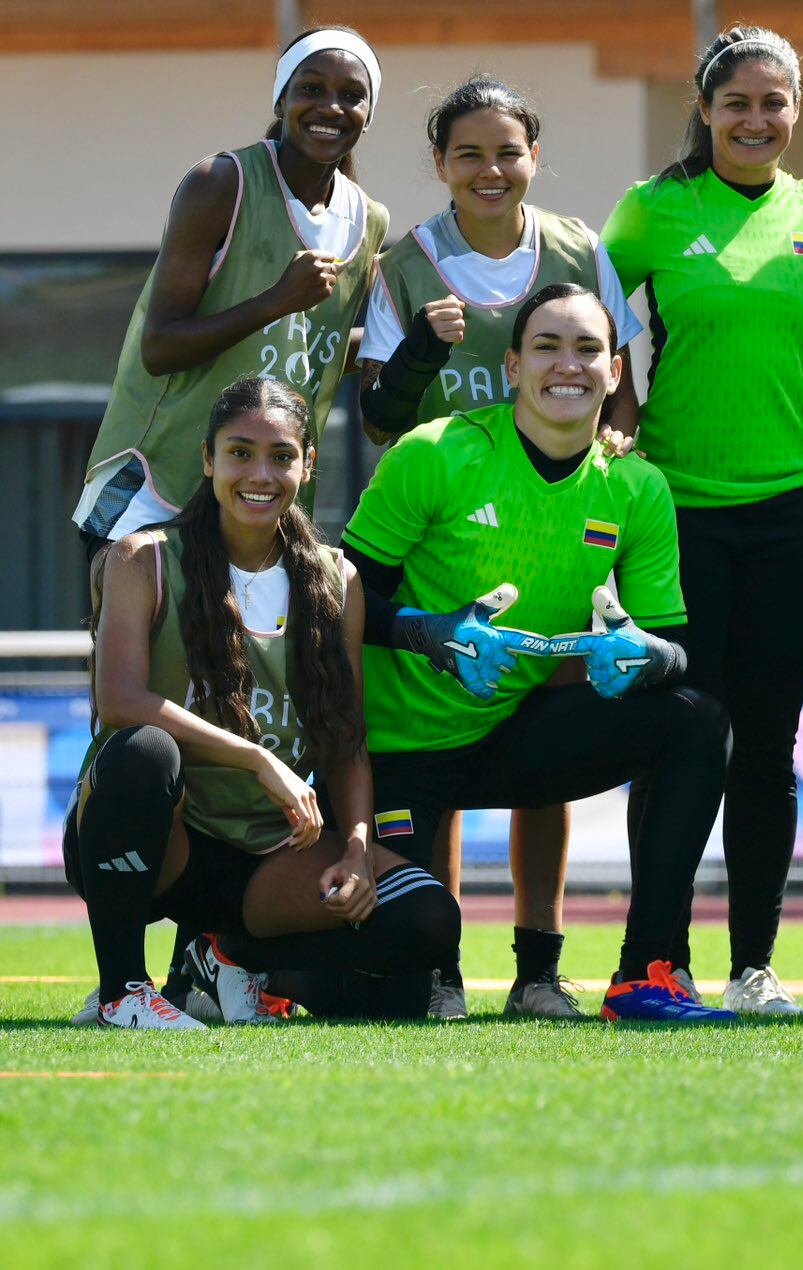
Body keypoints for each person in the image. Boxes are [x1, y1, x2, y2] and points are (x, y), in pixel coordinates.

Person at [341, 281, 735, 1022]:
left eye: (588, 348)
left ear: (615, 372)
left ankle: (650, 972)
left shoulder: (635, 486)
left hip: (508, 737)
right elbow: (338, 602)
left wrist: (644, 654)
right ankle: (247, 954)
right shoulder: (435, 454)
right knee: (392, 984)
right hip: (398, 753)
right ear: (513, 367)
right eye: (547, 347)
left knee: (696, 719)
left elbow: (675, 650)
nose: (569, 364)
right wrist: (427, 632)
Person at [358, 75, 644, 1020]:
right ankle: (440, 968)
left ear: (535, 159)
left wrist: (615, 446)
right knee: (429, 746)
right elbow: (377, 419)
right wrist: (418, 359)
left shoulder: (578, 248)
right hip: (449, 530)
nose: (491, 169)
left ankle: (538, 969)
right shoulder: (406, 265)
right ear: (440, 164)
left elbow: (622, 383)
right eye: (468, 153)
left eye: (507, 151)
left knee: (544, 736)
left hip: (558, 514)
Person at [69, 377, 459, 1029]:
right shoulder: (143, 559)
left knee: (424, 924)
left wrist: (359, 846)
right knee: (142, 751)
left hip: (267, 860)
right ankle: (121, 994)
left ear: (308, 466)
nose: (260, 473)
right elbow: (120, 701)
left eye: (281, 456)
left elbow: (345, 739)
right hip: (159, 839)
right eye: (239, 452)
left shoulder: (338, 579)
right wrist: (256, 758)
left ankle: (232, 954)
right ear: (208, 460)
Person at [601, 27, 803, 1017]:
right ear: (705, 109)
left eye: (773, 103)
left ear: (795, 111)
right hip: (677, 514)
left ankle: (752, 967)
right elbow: (587, 306)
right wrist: (612, 404)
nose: (755, 119)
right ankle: (654, 957)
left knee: (768, 745)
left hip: (791, 513)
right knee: (680, 733)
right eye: (736, 102)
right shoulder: (652, 211)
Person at [77, 26, 389, 547]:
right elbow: (160, 347)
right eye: (311, 88)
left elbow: (312, 351)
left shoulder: (368, 220)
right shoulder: (221, 182)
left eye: (352, 96)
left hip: (263, 504)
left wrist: (406, 339)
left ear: (368, 114)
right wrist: (276, 301)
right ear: (282, 99)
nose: (331, 107)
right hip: (157, 490)